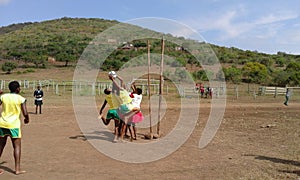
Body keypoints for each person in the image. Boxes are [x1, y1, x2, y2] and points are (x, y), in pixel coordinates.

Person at [0, 81, 29, 175]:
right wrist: (27, 119)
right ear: (17, 89)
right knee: (17, 146)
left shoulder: (3, 97)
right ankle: (17, 169)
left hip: (2, 124)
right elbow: (25, 112)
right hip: (14, 125)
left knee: (0, 146)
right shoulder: (21, 98)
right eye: (19, 87)